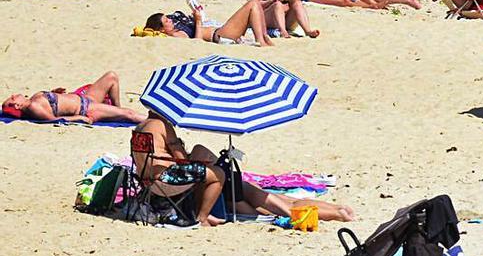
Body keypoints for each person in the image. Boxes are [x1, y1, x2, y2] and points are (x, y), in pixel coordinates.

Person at [133, 113, 356, 227]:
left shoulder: (140, 128)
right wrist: (187, 152)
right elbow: (181, 161)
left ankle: (338, 212)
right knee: (281, 206)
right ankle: (337, 211)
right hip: (189, 183)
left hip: (152, 183)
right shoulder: (162, 126)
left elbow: (152, 160)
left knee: (273, 207)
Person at [3, 71, 146, 124]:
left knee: (112, 76)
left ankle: (116, 110)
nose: (13, 95)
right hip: (86, 108)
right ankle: (158, 121)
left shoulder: (34, 99)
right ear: (17, 106)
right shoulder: (33, 107)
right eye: (12, 99)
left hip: (84, 97)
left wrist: (55, 93)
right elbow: (53, 119)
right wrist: (78, 118)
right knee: (129, 113)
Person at [144, 0, 273, 46]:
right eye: (167, 21)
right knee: (253, 4)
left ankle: (263, 37)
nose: (171, 20)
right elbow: (197, 43)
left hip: (220, 32)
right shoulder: (175, 35)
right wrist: (198, 21)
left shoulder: (175, 30)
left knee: (255, 4)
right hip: (219, 36)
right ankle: (261, 40)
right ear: (161, 29)